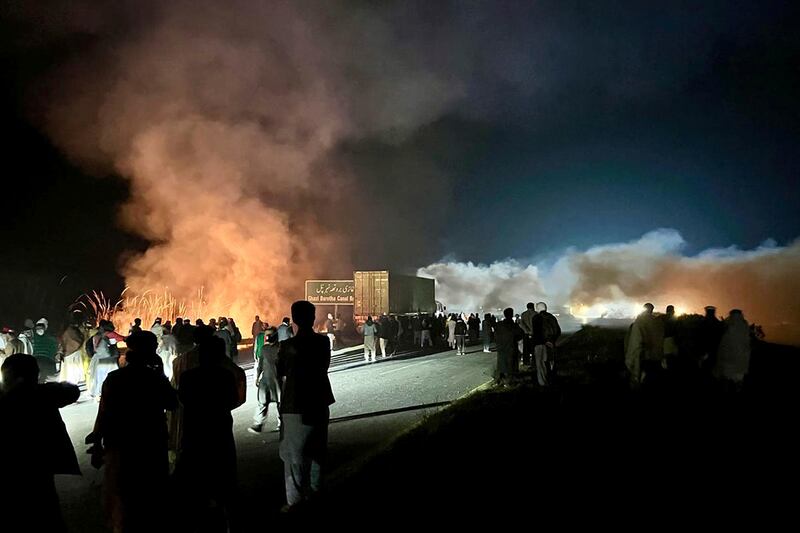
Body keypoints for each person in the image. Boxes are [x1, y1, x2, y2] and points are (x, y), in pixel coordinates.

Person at [87, 331, 178, 532]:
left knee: (122, 497)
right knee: (151, 496)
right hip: (151, 442)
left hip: (120, 444)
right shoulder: (154, 378)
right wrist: (160, 373)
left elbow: (104, 413)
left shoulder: (114, 378)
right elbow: (172, 403)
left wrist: (96, 443)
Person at [0, 354, 81, 532]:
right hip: (39, 465)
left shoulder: (28, 395)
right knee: (46, 511)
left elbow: (72, 392)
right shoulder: (42, 394)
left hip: (21, 466)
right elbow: (71, 391)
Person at [176, 336, 243, 531]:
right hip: (220, 431)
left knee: (197, 479)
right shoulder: (225, 376)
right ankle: (227, 519)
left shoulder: (187, 377)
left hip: (195, 433)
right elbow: (233, 401)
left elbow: (182, 400)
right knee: (225, 476)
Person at [276, 300, 335, 511]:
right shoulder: (323, 343)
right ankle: (317, 496)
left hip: (295, 404)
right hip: (319, 400)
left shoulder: (287, 346)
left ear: (294, 320)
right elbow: (324, 366)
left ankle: (295, 504)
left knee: (294, 457)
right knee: (317, 452)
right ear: (312, 318)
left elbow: (280, 371)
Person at [249, 327, 281, 433]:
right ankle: (258, 424)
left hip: (277, 379)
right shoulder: (264, 349)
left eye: (269, 335)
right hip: (266, 380)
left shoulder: (281, 348)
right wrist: (257, 377)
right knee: (262, 402)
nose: (267, 337)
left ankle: (282, 423)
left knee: (280, 403)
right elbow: (260, 365)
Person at [624, 303, 665, 388]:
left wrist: (633, 367)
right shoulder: (659, 323)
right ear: (652, 310)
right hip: (657, 360)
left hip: (644, 361)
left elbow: (635, 344)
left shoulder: (639, 322)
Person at [713, 310, 751, 389]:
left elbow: (725, 344)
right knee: (737, 379)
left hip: (731, 359)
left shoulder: (731, 326)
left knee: (727, 379)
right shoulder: (744, 326)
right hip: (740, 359)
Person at [531, 302, 561, 386]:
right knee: (551, 362)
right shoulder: (552, 317)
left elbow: (536, 333)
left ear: (537, 309)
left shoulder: (536, 318)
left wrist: (543, 341)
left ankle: (543, 383)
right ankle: (552, 380)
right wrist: (552, 341)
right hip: (551, 344)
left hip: (540, 344)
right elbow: (558, 331)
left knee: (540, 364)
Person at [493, 308, 523, 386]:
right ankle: (509, 382)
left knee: (501, 365)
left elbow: (494, 335)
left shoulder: (499, 325)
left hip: (501, 348)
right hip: (511, 348)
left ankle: (499, 380)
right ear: (511, 314)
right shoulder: (514, 326)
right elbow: (520, 335)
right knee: (511, 366)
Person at [58, 318, 86, 384]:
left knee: (68, 371)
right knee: (74, 370)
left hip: (68, 353)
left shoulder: (65, 332)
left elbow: (62, 343)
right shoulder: (73, 331)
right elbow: (79, 339)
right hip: (75, 352)